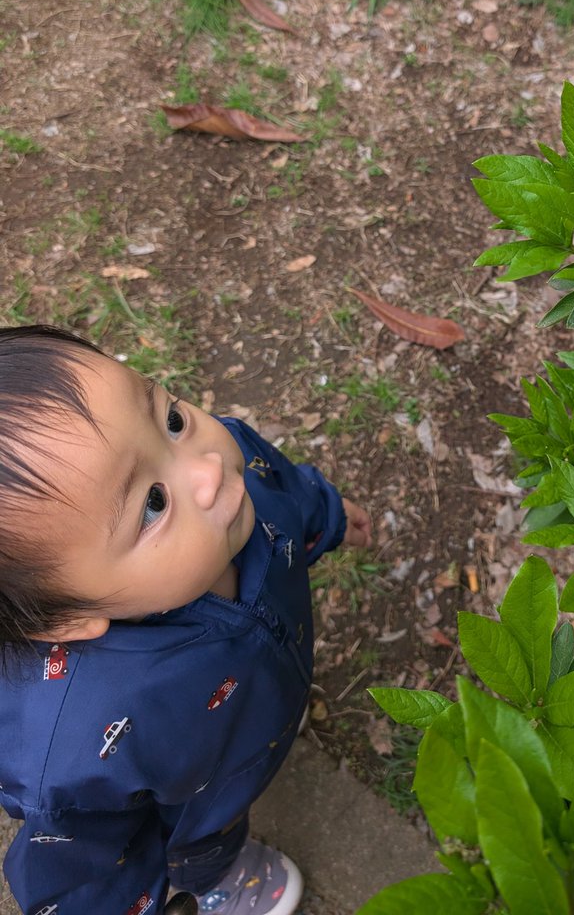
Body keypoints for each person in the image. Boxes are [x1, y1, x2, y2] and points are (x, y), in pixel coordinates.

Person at [0, 324, 371, 915]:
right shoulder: (73, 747)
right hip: (203, 798)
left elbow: (282, 486)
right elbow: (81, 870)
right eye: (153, 503)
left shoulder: (230, 485)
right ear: (68, 619)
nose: (207, 469)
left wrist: (328, 515)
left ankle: (267, 712)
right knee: (204, 841)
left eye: (171, 419)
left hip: (264, 687)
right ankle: (220, 877)